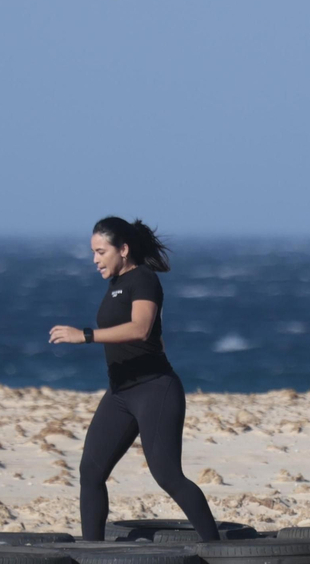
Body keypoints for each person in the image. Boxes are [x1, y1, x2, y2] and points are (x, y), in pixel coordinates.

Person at [48, 217, 221, 542]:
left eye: (101, 252)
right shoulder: (114, 284)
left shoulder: (144, 279)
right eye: (93, 252)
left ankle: (217, 549)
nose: (95, 259)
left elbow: (141, 328)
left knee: (168, 475)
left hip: (155, 389)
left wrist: (84, 335)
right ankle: (93, 554)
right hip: (120, 393)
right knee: (91, 471)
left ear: (123, 249)